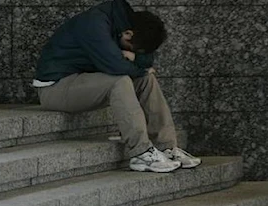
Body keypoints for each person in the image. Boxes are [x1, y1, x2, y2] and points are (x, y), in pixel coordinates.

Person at [33, 0, 201, 173]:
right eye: (132, 49)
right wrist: (137, 64)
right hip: (55, 88)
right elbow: (116, 66)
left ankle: (166, 147)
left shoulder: (125, 23)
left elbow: (147, 60)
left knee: (146, 79)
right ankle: (141, 153)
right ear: (128, 34)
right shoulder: (95, 26)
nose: (131, 52)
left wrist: (135, 58)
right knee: (119, 81)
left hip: (83, 80)